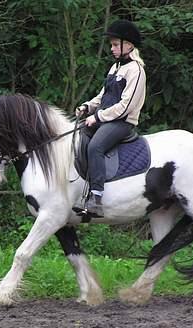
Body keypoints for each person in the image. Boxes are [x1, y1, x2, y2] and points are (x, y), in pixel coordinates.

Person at [75, 19, 146, 217]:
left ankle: (96, 199)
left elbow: (125, 107)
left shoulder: (136, 71)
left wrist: (97, 117)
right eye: (112, 44)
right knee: (78, 136)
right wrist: (87, 106)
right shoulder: (115, 68)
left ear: (129, 45)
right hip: (106, 118)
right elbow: (102, 96)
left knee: (95, 146)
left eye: (115, 44)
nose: (112, 48)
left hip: (122, 123)